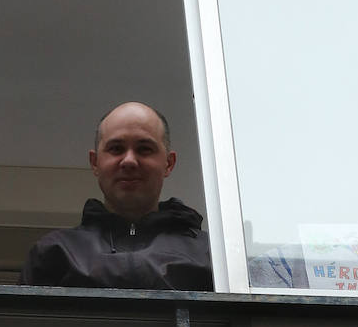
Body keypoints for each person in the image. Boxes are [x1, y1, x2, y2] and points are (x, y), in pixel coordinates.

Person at [20, 102, 214, 290]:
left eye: (144, 149)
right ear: (95, 162)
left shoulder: (210, 256)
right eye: (116, 149)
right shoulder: (54, 252)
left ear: (168, 163)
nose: (129, 161)